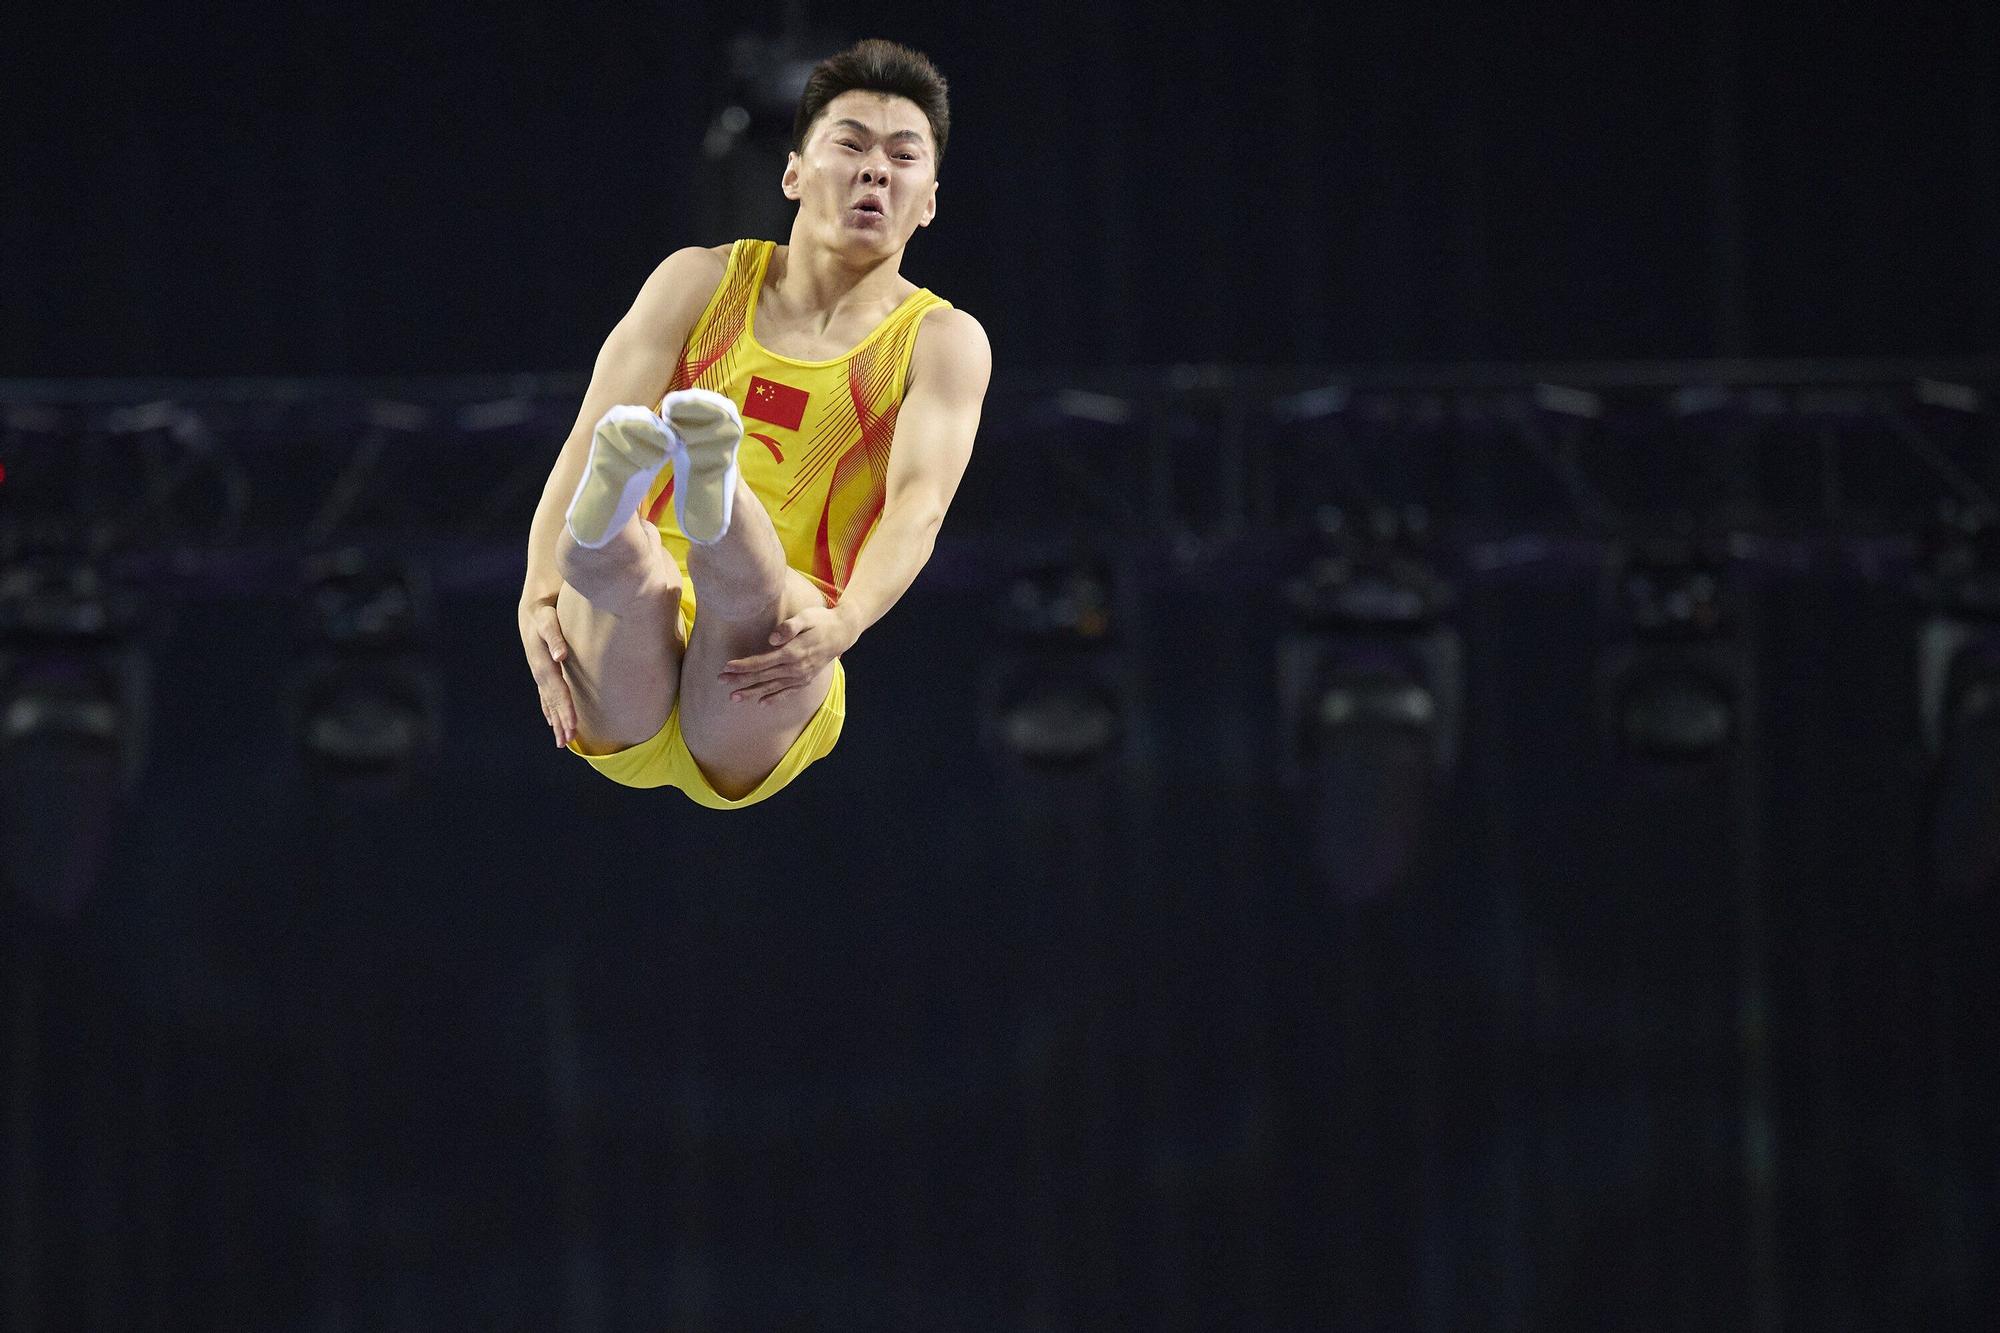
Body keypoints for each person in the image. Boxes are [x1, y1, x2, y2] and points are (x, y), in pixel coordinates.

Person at [517, 39, 991, 809]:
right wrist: (536, 595)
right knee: (631, 574)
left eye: (904, 156)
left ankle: (709, 483)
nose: (876, 169)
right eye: (852, 143)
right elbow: (586, 434)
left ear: (929, 199)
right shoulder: (696, 282)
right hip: (636, 651)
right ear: (794, 172)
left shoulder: (943, 342)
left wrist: (847, 623)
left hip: (784, 651)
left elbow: (919, 507)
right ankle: (655, 504)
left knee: (768, 598)